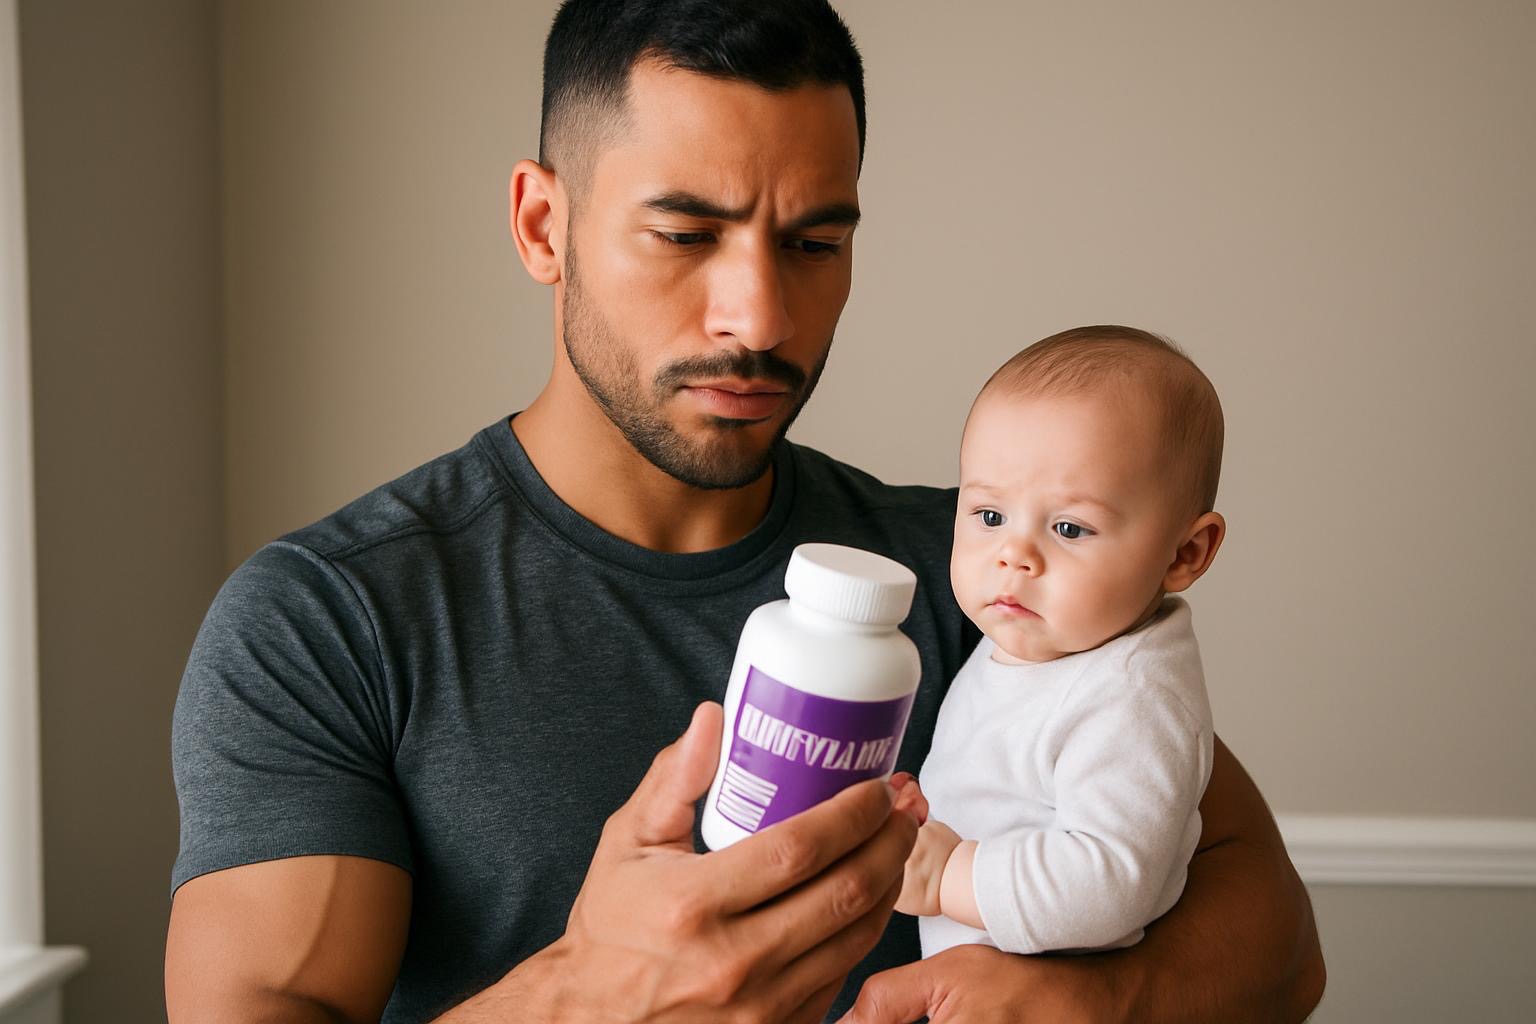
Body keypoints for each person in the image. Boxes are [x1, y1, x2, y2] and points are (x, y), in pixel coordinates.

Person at [164, 2, 1325, 1022]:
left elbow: (1278, 944)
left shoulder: (981, 573)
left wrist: (1093, 1000)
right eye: (685, 233)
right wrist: (585, 997)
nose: (759, 313)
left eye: (815, 242)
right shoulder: (334, 621)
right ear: (541, 227)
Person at [893, 326, 1223, 960]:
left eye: (1070, 527)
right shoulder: (1037, 645)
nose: (1014, 555)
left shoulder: (1130, 698)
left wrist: (946, 874)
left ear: (1185, 553)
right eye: (989, 517)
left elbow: (1110, 882)